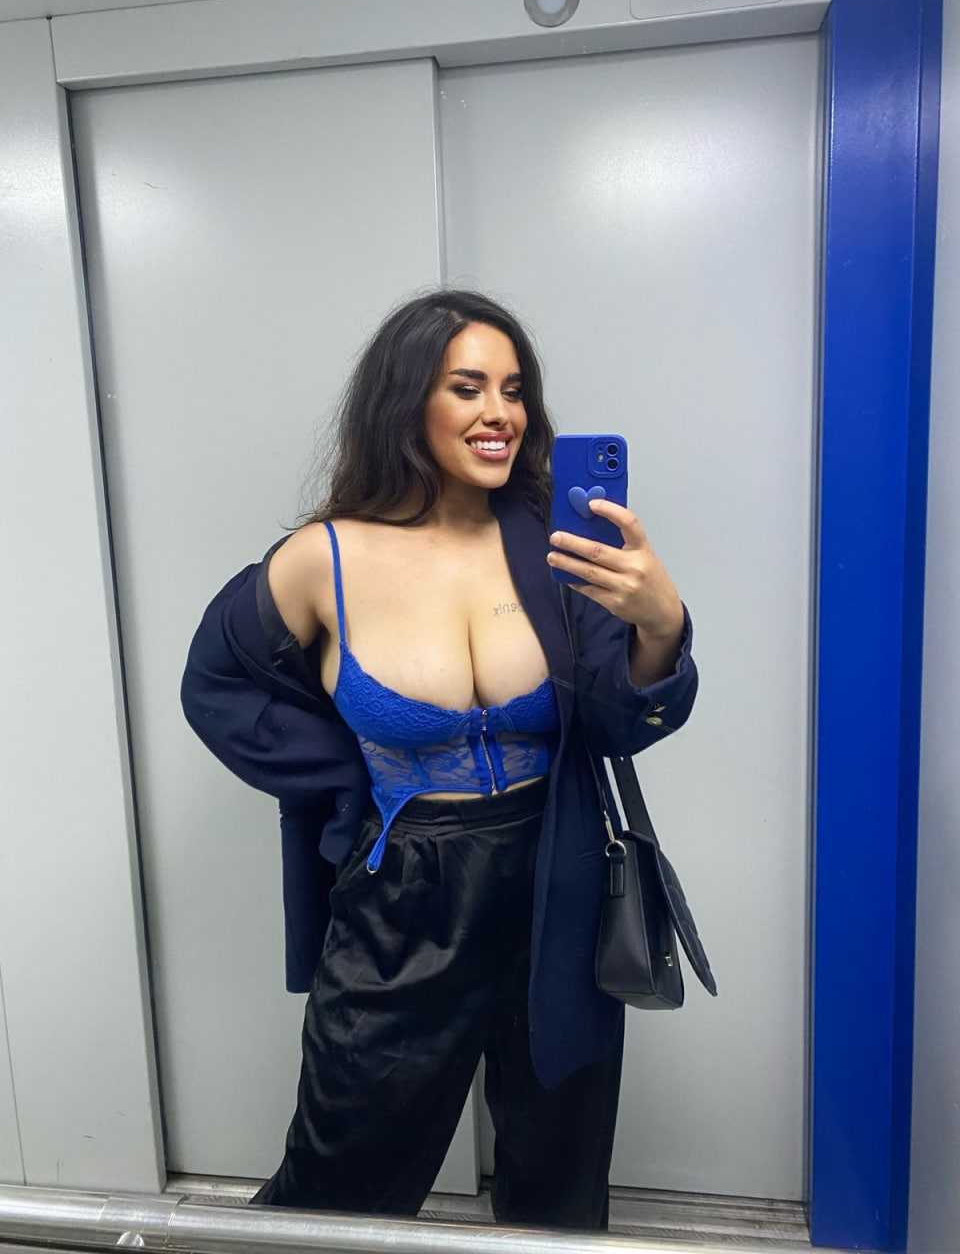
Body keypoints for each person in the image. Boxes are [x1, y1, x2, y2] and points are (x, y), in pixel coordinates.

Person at [180, 288, 699, 1230]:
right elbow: (216, 685)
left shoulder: (555, 544)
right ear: (406, 400)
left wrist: (660, 625)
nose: (500, 413)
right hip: (404, 899)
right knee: (341, 1185)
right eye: (468, 388)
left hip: (558, 884)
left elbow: (621, 723)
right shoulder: (324, 557)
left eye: (514, 390)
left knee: (558, 1188)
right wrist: (350, 784)